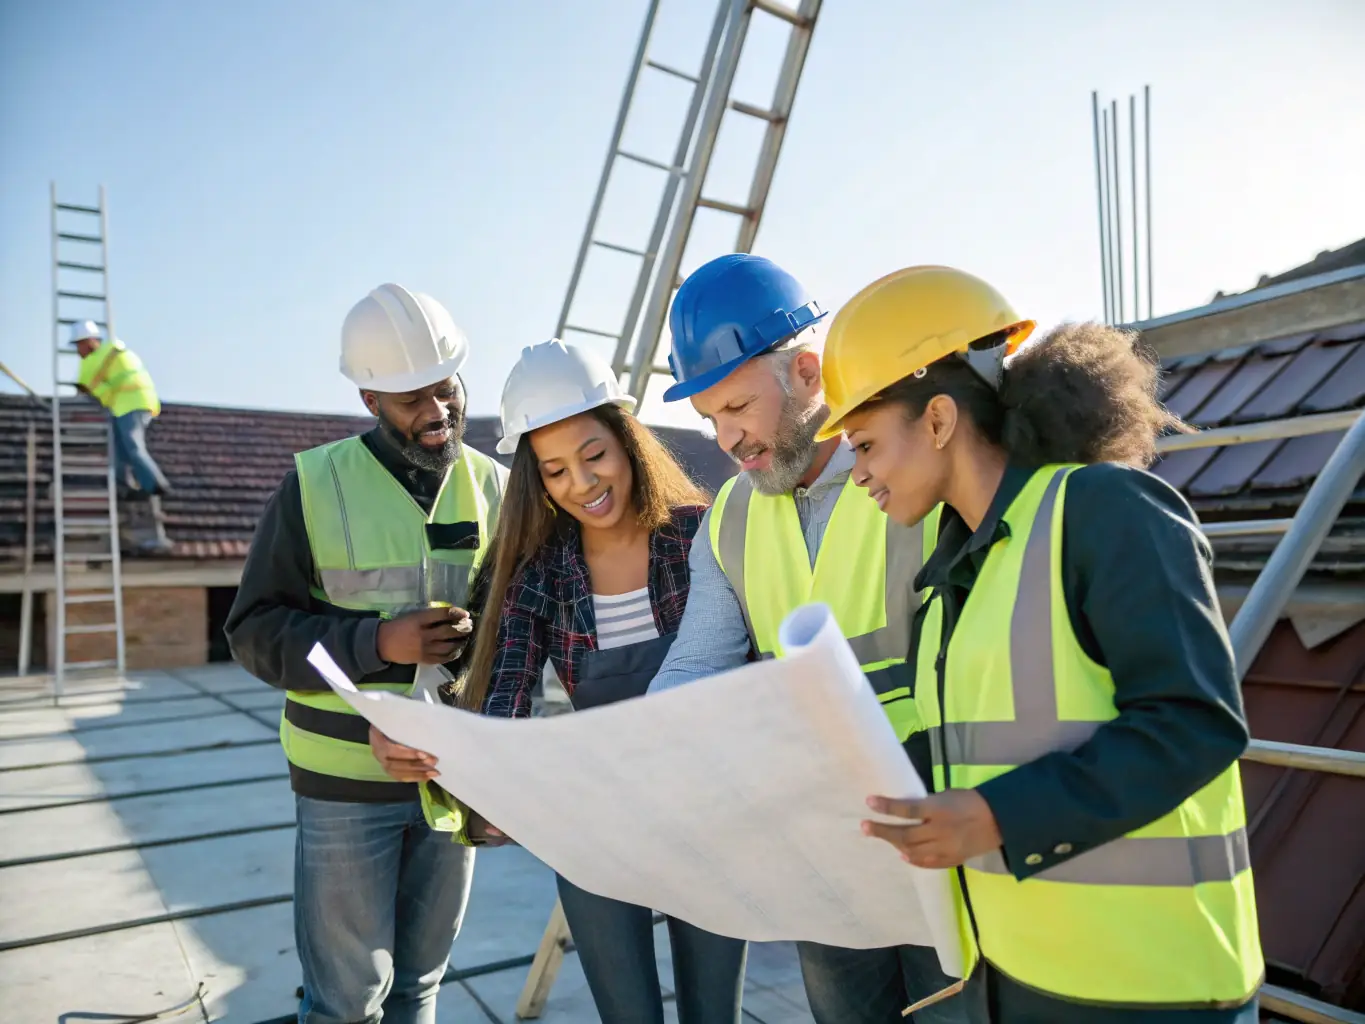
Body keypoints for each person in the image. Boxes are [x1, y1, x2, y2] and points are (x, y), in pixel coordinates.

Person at [815, 265, 1263, 1022]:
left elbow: (1195, 723)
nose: (856, 475)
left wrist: (993, 818)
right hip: (1016, 977)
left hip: (1155, 992)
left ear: (936, 421)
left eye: (863, 445)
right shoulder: (951, 573)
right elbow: (986, 748)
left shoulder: (1105, 510)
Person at [646, 253, 962, 1024]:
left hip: (946, 826)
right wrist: (640, 753)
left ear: (809, 373)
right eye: (710, 419)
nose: (726, 438)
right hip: (825, 842)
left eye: (737, 408)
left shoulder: (915, 473)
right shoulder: (728, 520)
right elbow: (695, 664)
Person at [224, 283, 508, 1024]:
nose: (436, 413)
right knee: (346, 1003)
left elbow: (513, 638)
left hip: (451, 781)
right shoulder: (313, 486)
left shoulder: (497, 489)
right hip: (343, 788)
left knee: (419, 987)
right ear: (369, 400)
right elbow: (253, 632)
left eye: (445, 390)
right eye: (411, 399)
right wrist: (376, 642)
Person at [448, 337, 748, 1024]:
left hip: (711, 810)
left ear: (626, 440)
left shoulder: (701, 536)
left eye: (593, 456)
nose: (581, 484)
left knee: (713, 1013)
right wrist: (488, 783)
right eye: (554, 471)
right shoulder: (539, 571)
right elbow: (505, 688)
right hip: (600, 817)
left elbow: (748, 663)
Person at [70, 320, 173, 553]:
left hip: (131, 404)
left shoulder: (92, 362)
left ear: (89, 342)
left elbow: (84, 390)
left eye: (79, 345)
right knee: (120, 448)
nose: (78, 351)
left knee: (133, 446)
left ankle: (156, 485)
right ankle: (124, 485)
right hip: (131, 403)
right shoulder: (114, 349)